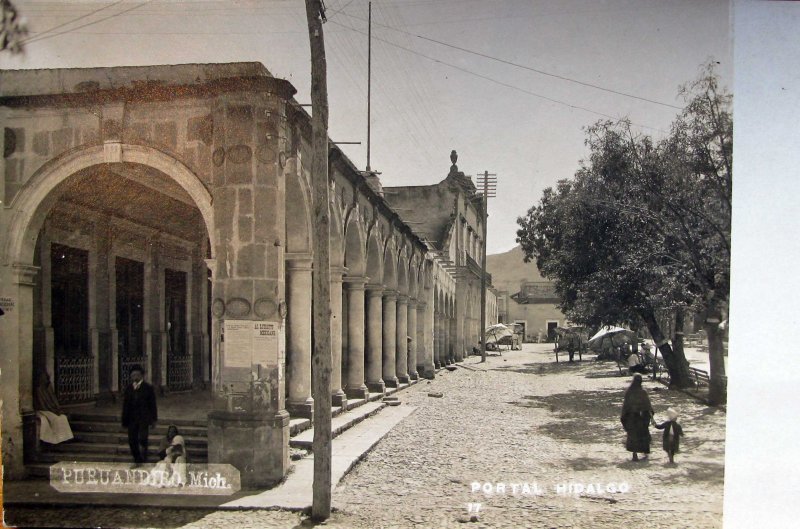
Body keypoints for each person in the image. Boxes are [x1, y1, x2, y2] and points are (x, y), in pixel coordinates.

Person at [122, 365, 158, 466]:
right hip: (132, 419)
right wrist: (124, 420)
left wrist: (153, 419)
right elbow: (125, 405)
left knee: (143, 438)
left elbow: (152, 405)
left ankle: (144, 454)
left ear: (142, 375)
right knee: (132, 440)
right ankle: (137, 459)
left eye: (137, 374)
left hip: (144, 419)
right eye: (133, 375)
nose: (135, 377)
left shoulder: (148, 388)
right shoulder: (129, 388)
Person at [33, 371, 74, 444]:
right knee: (56, 419)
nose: (45, 379)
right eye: (43, 378)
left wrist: (58, 409)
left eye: (46, 377)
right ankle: (56, 439)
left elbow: (54, 401)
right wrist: (54, 411)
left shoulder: (49, 388)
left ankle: (65, 438)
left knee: (63, 417)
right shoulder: (38, 390)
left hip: (51, 409)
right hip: (43, 410)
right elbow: (43, 405)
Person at [620, 374, 653, 461]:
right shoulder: (643, 392)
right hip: (641, 418)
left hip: (631, 418)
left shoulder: (629, 392)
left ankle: (634, 454)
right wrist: (650, 414)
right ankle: (645, 451)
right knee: (643, 434)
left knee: (633, 435)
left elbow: (626, 405)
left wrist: (624, 417)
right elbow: (647, 405)